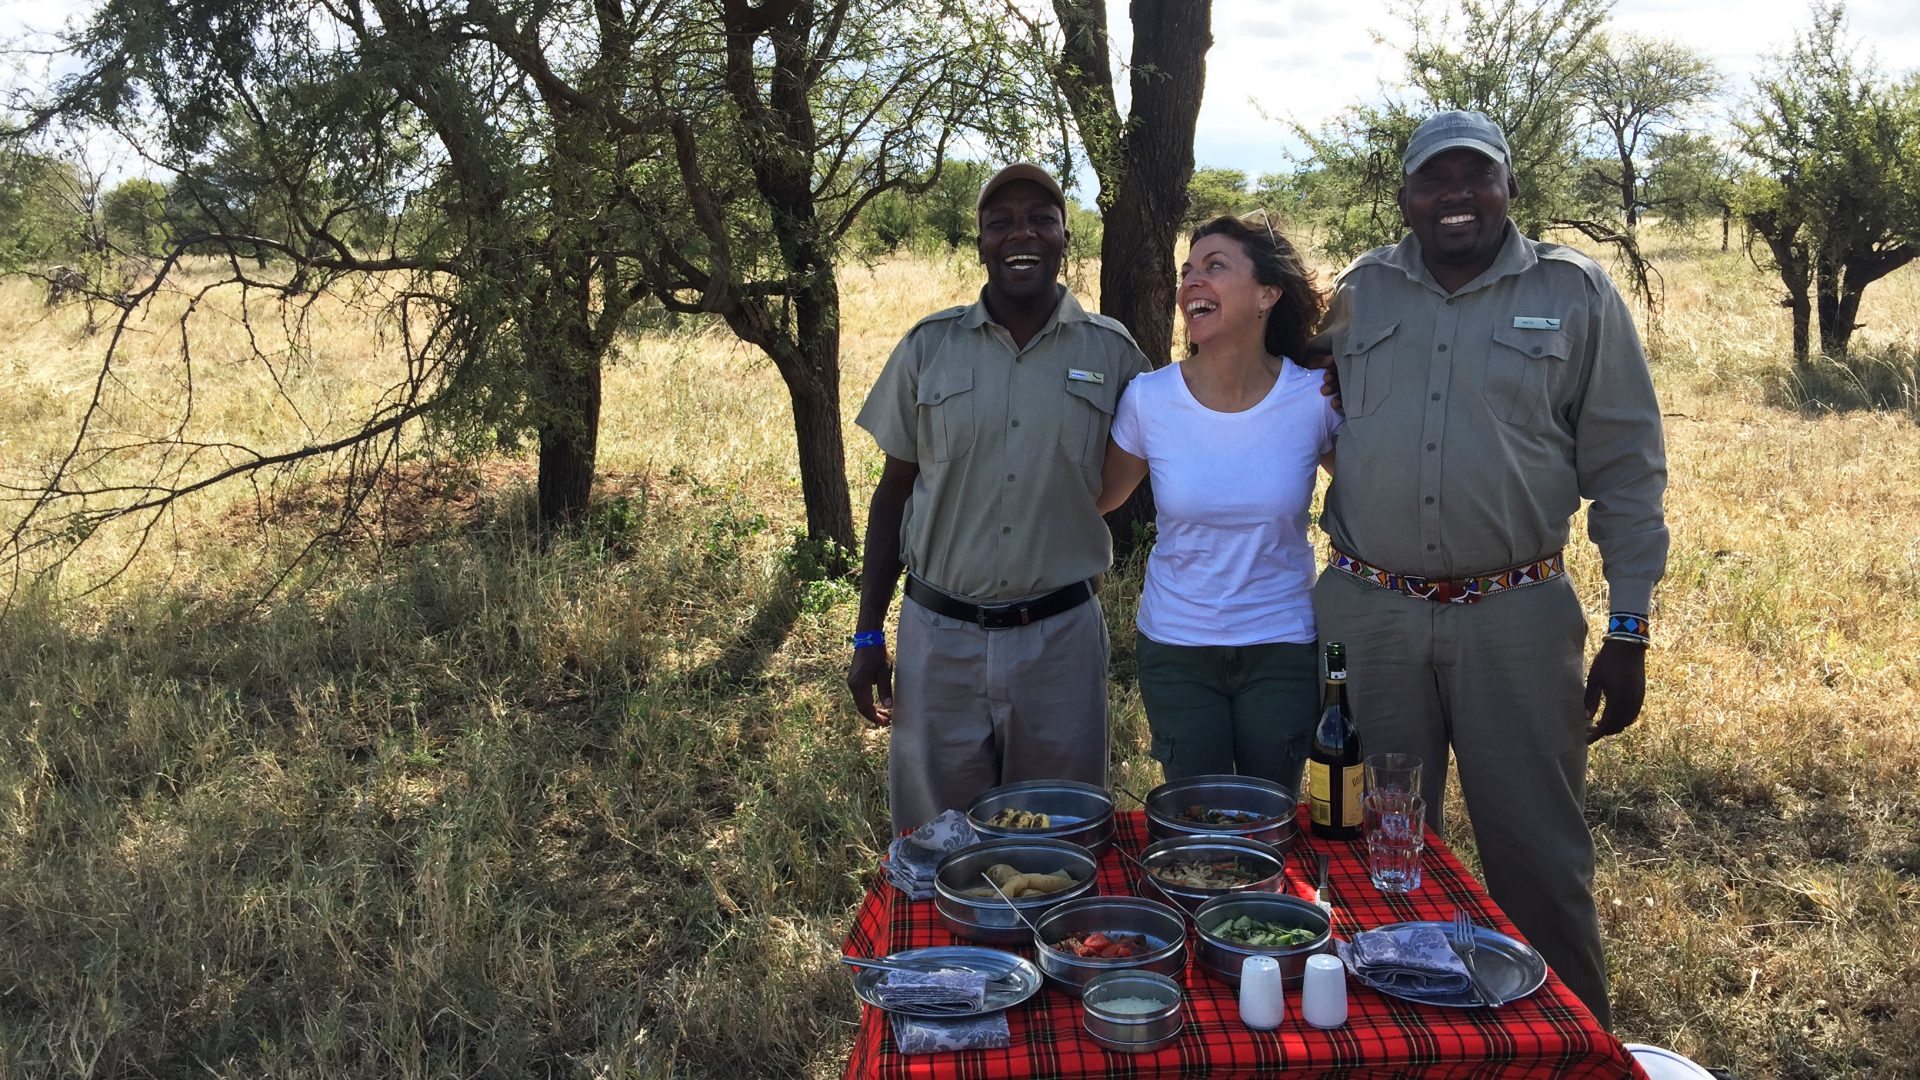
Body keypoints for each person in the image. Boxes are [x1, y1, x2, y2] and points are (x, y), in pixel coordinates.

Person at [1310, 110, 1668, 1028]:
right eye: (1434, 179)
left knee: (1540, 860)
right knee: (1371, 851)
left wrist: (1629, 628)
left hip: (1516, 617)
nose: (1456, 196)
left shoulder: (1575, 291)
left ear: (1510, 186)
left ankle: (1574, 1050)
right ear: (1405, 197)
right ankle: (1394, 1042)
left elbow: (1628, 468)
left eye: (1476, 175)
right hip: (1369, 617)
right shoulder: (1357, 294)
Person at [847, 162, 1151, 835]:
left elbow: (1139, 470)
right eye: (1001, 222)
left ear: (1065, 236)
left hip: (1060, 643)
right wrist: (868, 633)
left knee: (1060, 844)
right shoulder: (929, 347)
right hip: (939, 642)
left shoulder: (1114, 353)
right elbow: (893, 494)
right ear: (980, 242)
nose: (1022, 234)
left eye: (1041, 219)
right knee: (937, 844)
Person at [1095, 213, 1338, 794]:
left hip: (1281, 646)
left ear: (1267, 294)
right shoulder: (1149, 399)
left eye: (1215, 266)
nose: (1191, 283)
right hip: (1177, 648)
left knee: (1270, 815)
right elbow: (1097, 499)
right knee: (1195, 819)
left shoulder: (1314, 397)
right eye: (1187, 271)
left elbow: (1374, 496)